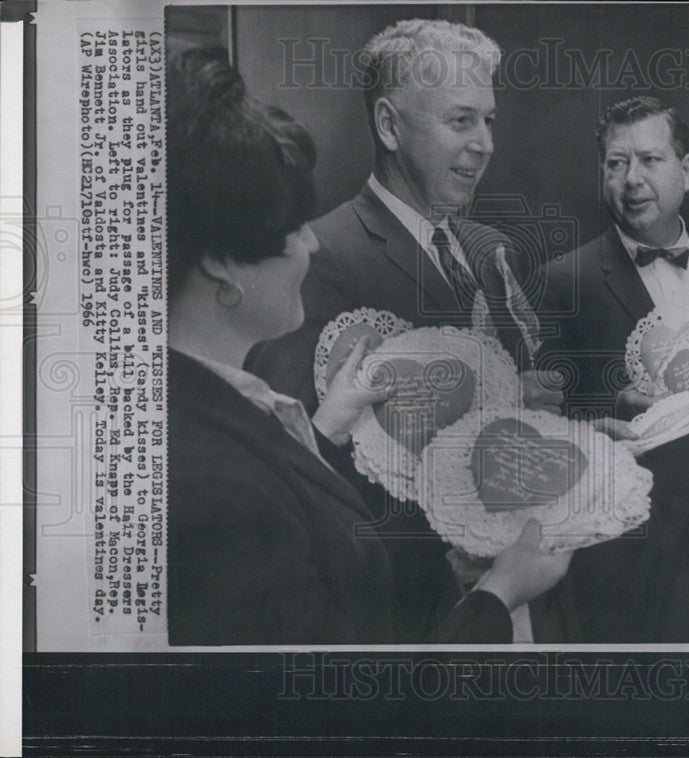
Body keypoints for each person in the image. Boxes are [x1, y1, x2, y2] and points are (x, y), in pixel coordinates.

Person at [166, 46, 570, 645]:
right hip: (419, 631)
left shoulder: (487, 248)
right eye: (461, 120)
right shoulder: (328, 262)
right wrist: (495, 588)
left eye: (491, 121)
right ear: (388, 124)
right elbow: (310, 531)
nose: (484, 142)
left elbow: (286, 470)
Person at [538, 97, 689, 642]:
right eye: (616, 164)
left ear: (686, 170)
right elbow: (541, 425)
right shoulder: (565, 280)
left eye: (649, 160)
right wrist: (609, 409)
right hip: (625, 562)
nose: (631, 179)